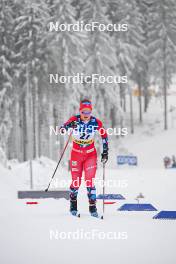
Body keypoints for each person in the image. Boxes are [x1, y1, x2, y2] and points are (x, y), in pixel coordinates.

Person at [60, 99, 108, 217]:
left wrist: (105, 151)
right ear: (80, 111)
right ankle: (73, 205)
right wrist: (69, 126)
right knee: (76, 182)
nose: (86, 115)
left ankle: (92, 207)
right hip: (76, 155)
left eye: (88, 112)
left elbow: (104, 135)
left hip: (90, 154)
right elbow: (61, 130)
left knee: (89, 181)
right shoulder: (74, 120)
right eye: (83, 112)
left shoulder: (95, 122)